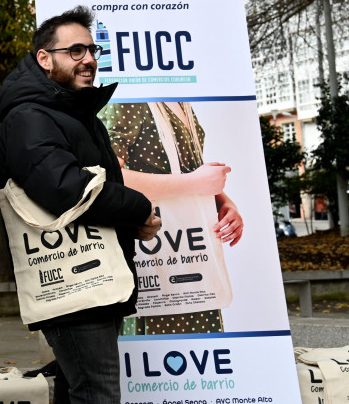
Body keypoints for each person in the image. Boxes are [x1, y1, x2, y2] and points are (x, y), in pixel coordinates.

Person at [0, 6, 160, 404]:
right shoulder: (30, 116)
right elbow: (65, 187)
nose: (88, 59)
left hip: (85, 283)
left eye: (92, 49)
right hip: (74, 286)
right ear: (45, 59)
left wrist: (128, 220)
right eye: (75, 50)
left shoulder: (66, 111)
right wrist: (138, 207)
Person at [101, 101, 243, 334]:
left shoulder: (179, 100)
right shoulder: (130, 100)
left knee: (200, 342)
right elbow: (107, 177)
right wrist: (195, 183)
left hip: (187, 252)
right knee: (160, 342)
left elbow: (187, 169)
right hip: (152, 246)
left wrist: (223, 201)